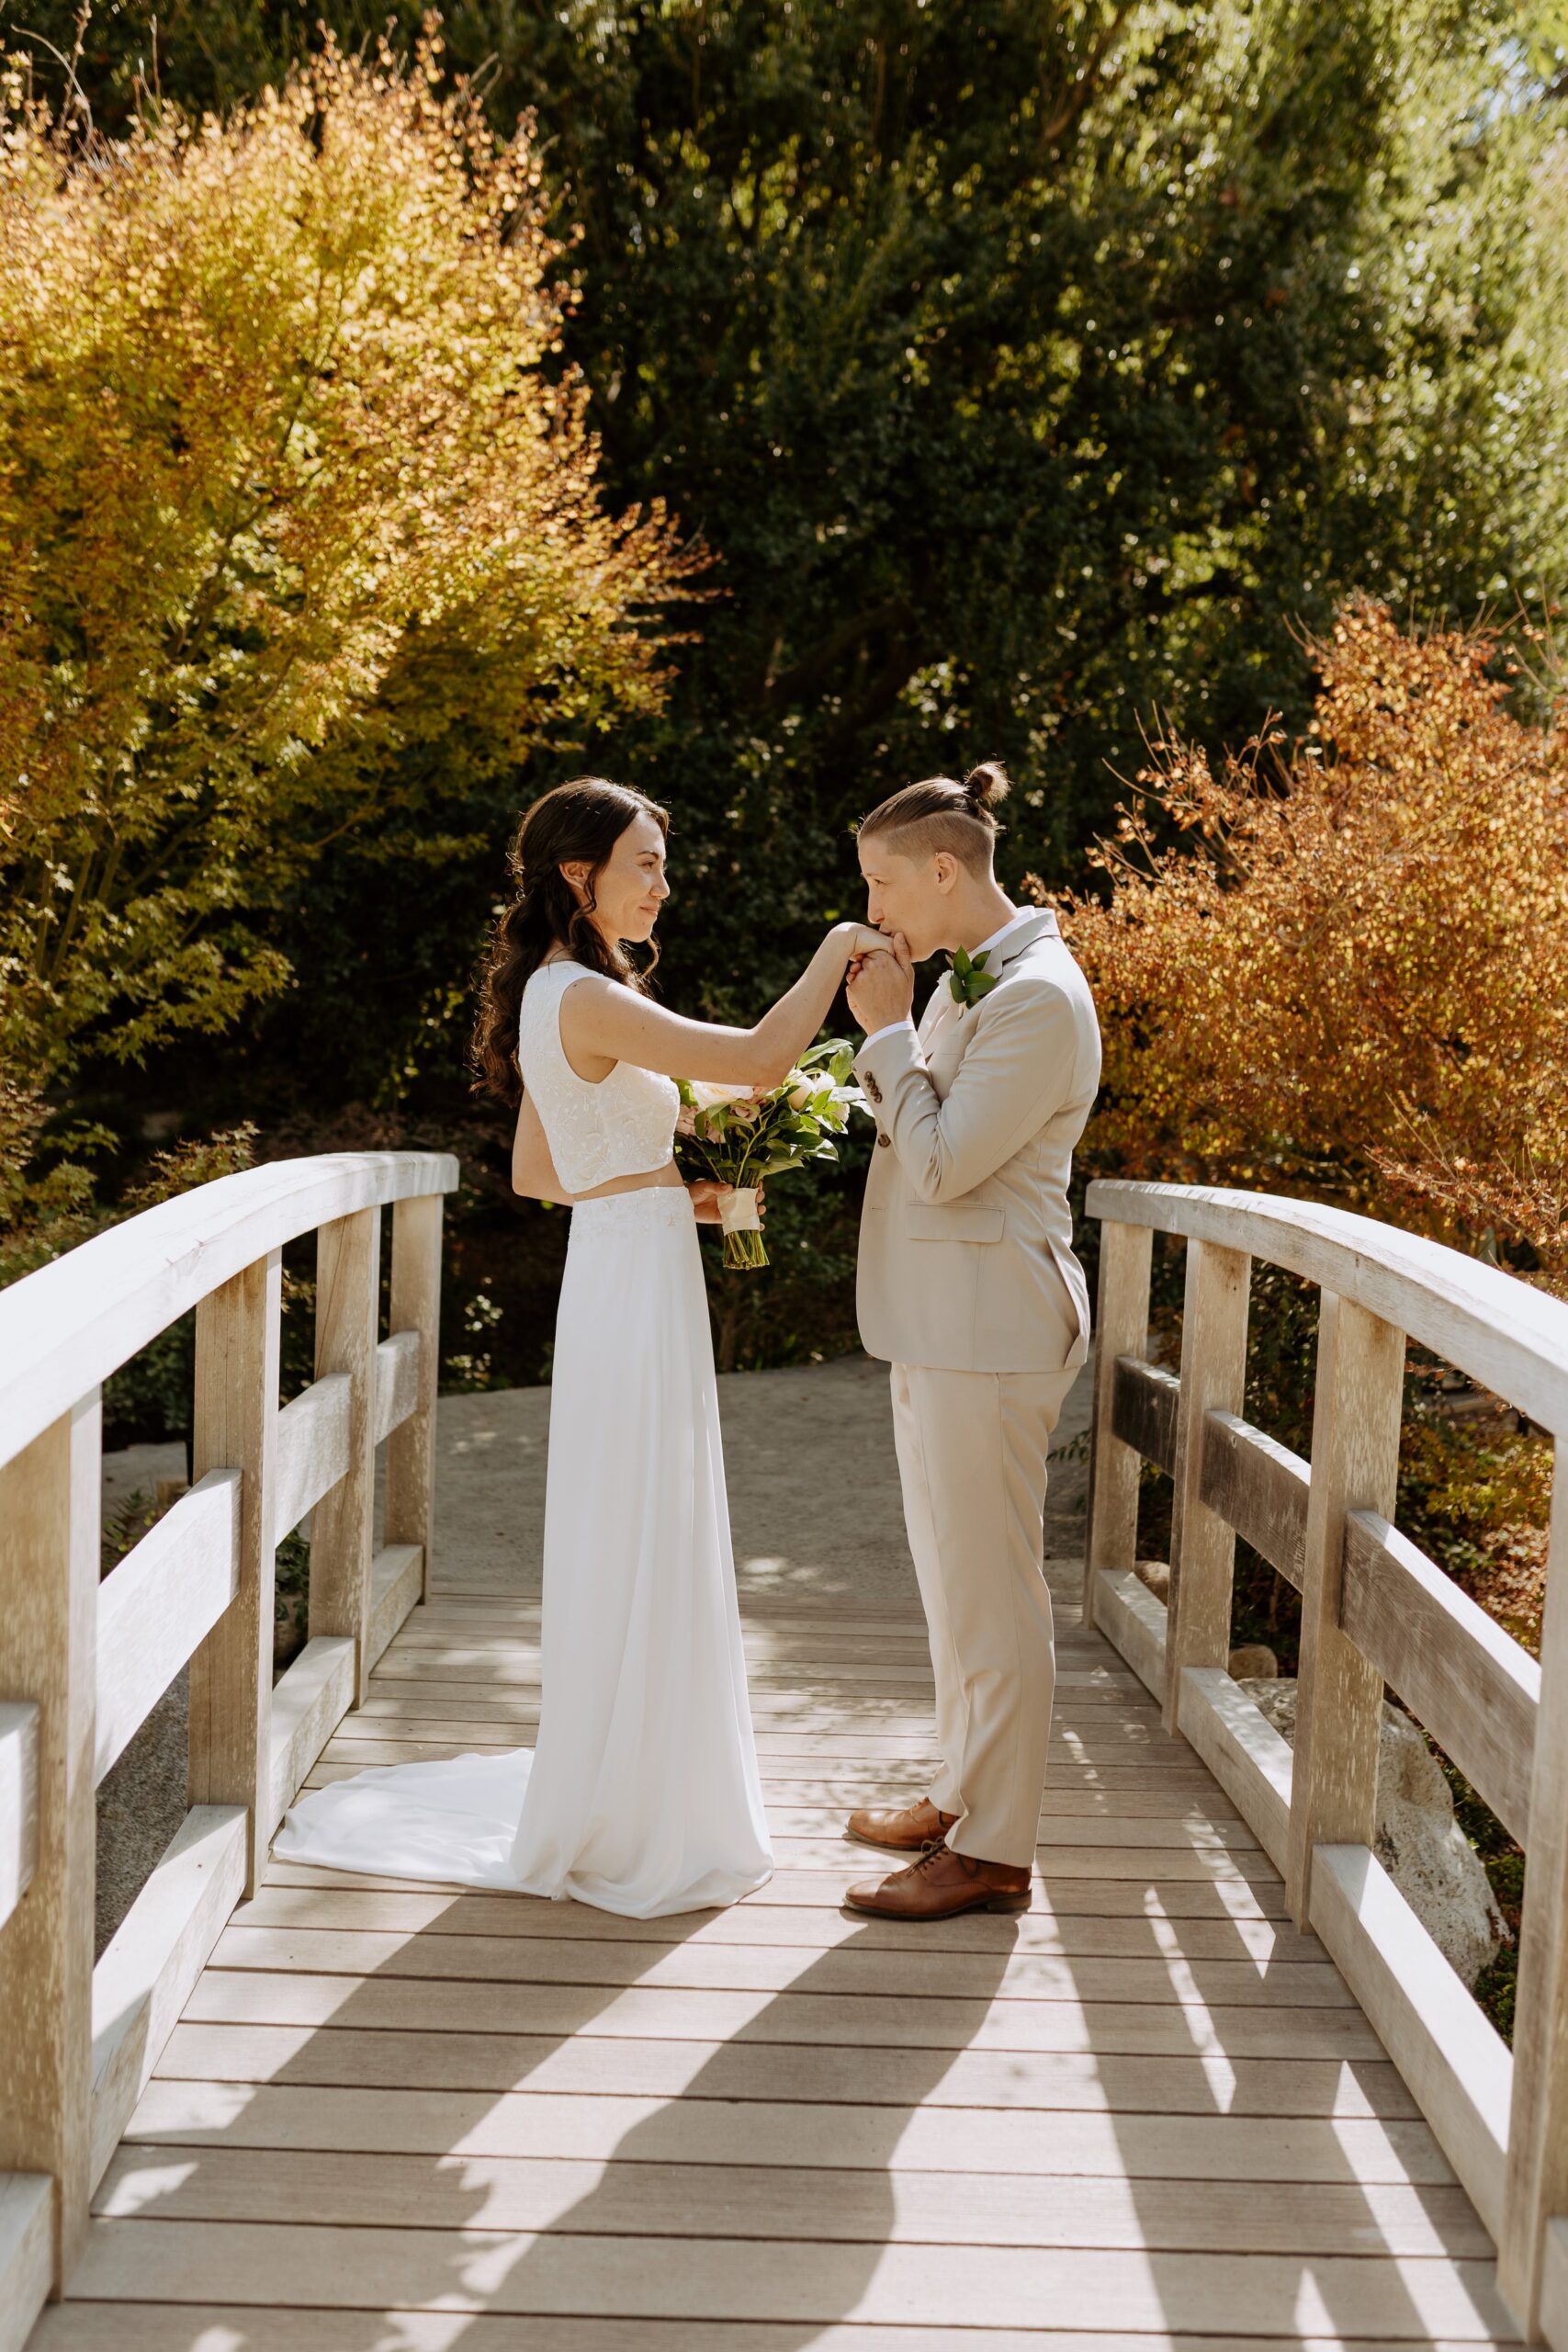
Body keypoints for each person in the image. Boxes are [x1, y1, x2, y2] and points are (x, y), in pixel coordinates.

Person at [276, 776, 883, 1919]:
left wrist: (685, 1197)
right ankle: (642, 1798)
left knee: (641, 1511)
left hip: (628, 1262)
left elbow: (538, 1174)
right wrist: (839, 946)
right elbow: (758, 1058)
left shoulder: (564, 994)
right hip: (632, 1280)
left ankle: (634, 1773)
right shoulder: (584, 997)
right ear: (578, 875)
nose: (664, 884)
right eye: (645, 863)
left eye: (662, 862)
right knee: (647, 1512)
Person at [839, 761, 1102, 1921]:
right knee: (953, 1581)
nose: (874, 911)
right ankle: (962, 1789)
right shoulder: (969, 983)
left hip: (994, 1321)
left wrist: (887, 1035)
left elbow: (943, 1164)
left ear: (945, 870)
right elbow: (923, 1125)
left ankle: (995, 1848)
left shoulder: (1037, 997)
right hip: (943, 1319)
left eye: (883, 885)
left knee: (994, 1591)